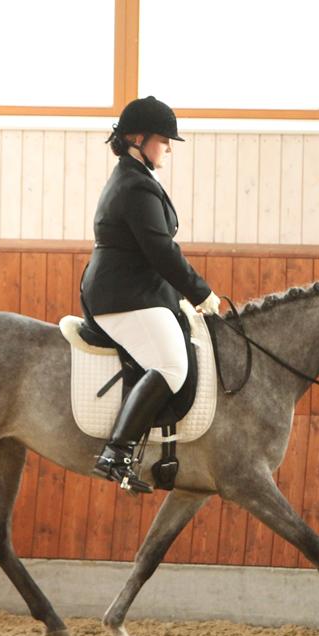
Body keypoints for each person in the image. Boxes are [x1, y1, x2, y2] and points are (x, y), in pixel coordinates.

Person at [80, 95, 221, 493]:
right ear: (137, 139)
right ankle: (117, 452)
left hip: (136, 290)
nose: (169, 148)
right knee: (173, 367)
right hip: (122, 296)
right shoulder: (133, 185)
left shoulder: (136, 178)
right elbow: (161, 250)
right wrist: (200, 293)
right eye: (163, 140)